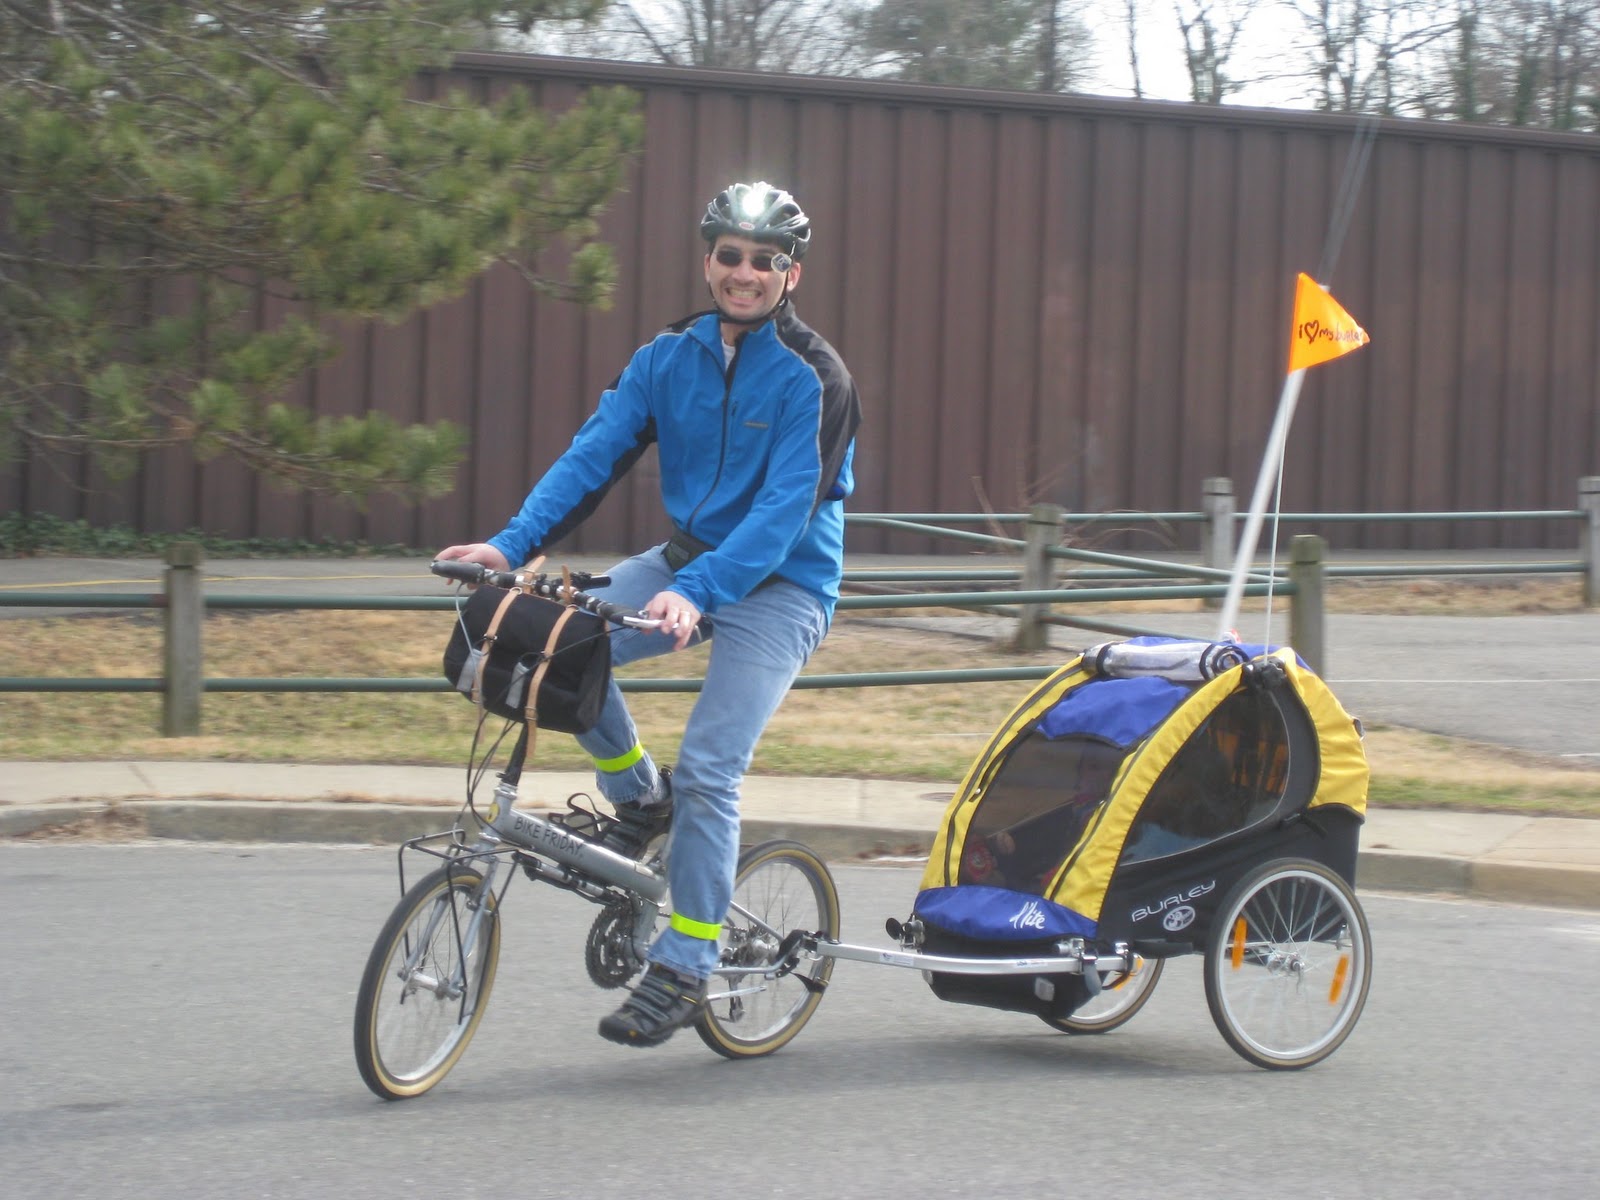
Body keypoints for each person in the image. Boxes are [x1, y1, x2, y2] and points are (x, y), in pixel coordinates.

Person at [437, 181, 860, 1048]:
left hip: (783, 587)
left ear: (792, 274)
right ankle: (639, 798)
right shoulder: (668, 357)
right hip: (684, 563)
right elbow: (591, 456)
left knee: (710, 768)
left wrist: (699, 593)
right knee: (559, 647)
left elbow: (784, 513)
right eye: (730, 255)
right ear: (708, 261)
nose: (744, 273)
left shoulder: (817, 379)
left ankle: (686, 964)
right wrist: (510, 548)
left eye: (765, 260)